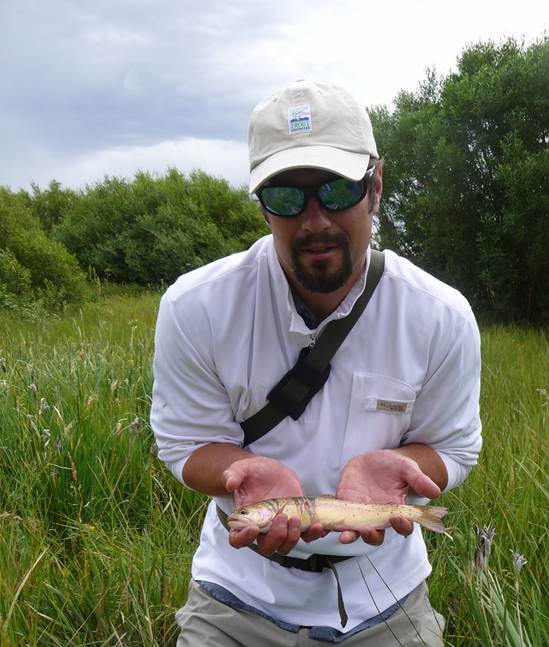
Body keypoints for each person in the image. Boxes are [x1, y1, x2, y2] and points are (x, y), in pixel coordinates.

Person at [151, 79, 482, 646]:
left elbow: (454, 447)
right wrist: (237, 472)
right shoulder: (195, 306)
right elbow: (184, 445)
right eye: (285, 197)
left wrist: (397, 469)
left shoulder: (441, 315)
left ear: (375, 187)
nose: (314, 220)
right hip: (237, 593)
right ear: (261, 205)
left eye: (335, 191)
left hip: (388, 593)